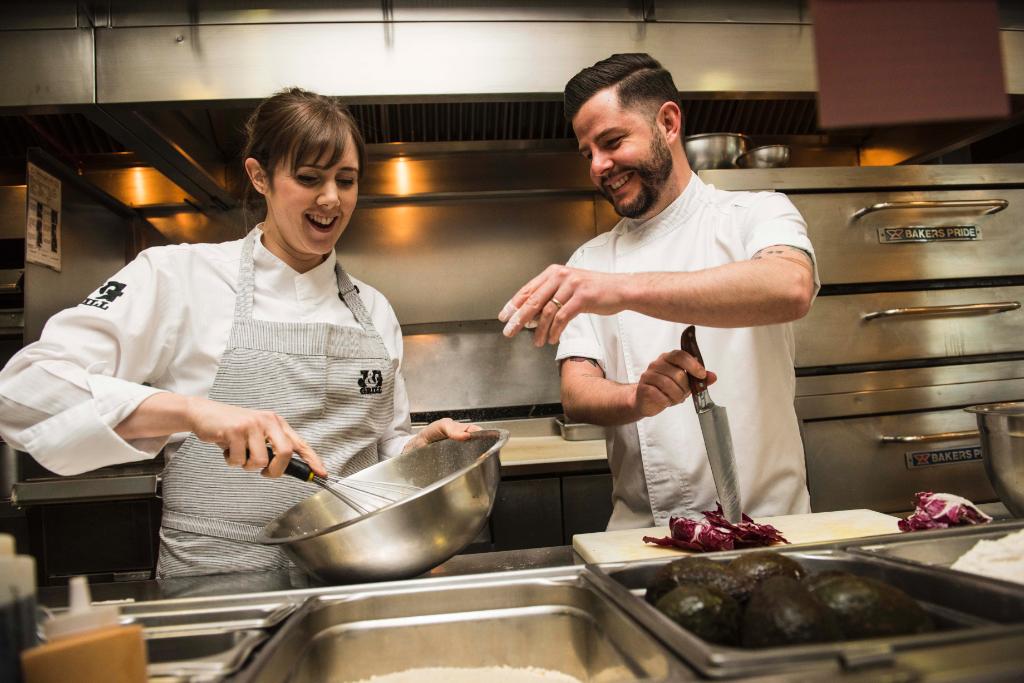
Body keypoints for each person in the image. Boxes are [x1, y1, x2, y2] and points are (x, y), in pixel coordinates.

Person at [0, 88, 477, 576]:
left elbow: (381, 446)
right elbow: (23, 393)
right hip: (218, 585)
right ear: (259, 177)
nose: (331, 199)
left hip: (352, 578)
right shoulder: (178, 277)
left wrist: (413, 453)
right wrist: (193, 412)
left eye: (347, 180)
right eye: (309, 178)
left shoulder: (373, 309)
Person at [499, 54, 819, 530]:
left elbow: (790, 287)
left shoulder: (755, 214)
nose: (599, 167)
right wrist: (636, 399)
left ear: (667, 122)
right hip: (644, 534)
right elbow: (577, 393)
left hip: (772, 526)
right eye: (588, 153)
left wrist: (624, 289)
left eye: (611, 142)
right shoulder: (589, 262)